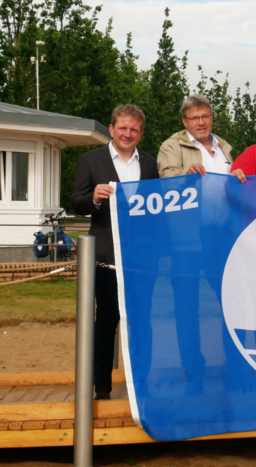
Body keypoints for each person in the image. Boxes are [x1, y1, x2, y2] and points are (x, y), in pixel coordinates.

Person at [71, 104, 159, 400]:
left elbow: (156, 209)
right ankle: (102, 388)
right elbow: (77, 202)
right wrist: (93, 197)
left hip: (142, 258)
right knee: (106, 322)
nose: (128, 133)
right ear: (111, 129)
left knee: (141, 322)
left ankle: (142, 385)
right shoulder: (89, 160)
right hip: (104, 258)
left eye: (134, 129)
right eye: (122, 128)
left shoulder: (150, 163)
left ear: (141, 133)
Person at [157, 94, 234, 177]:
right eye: (194, 118)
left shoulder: (224, 147)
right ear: (185, 121)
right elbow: (166, 178)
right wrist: (187, 174)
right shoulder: (171, 146)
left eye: (205, 116)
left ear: (212, 117)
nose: (201, 123)